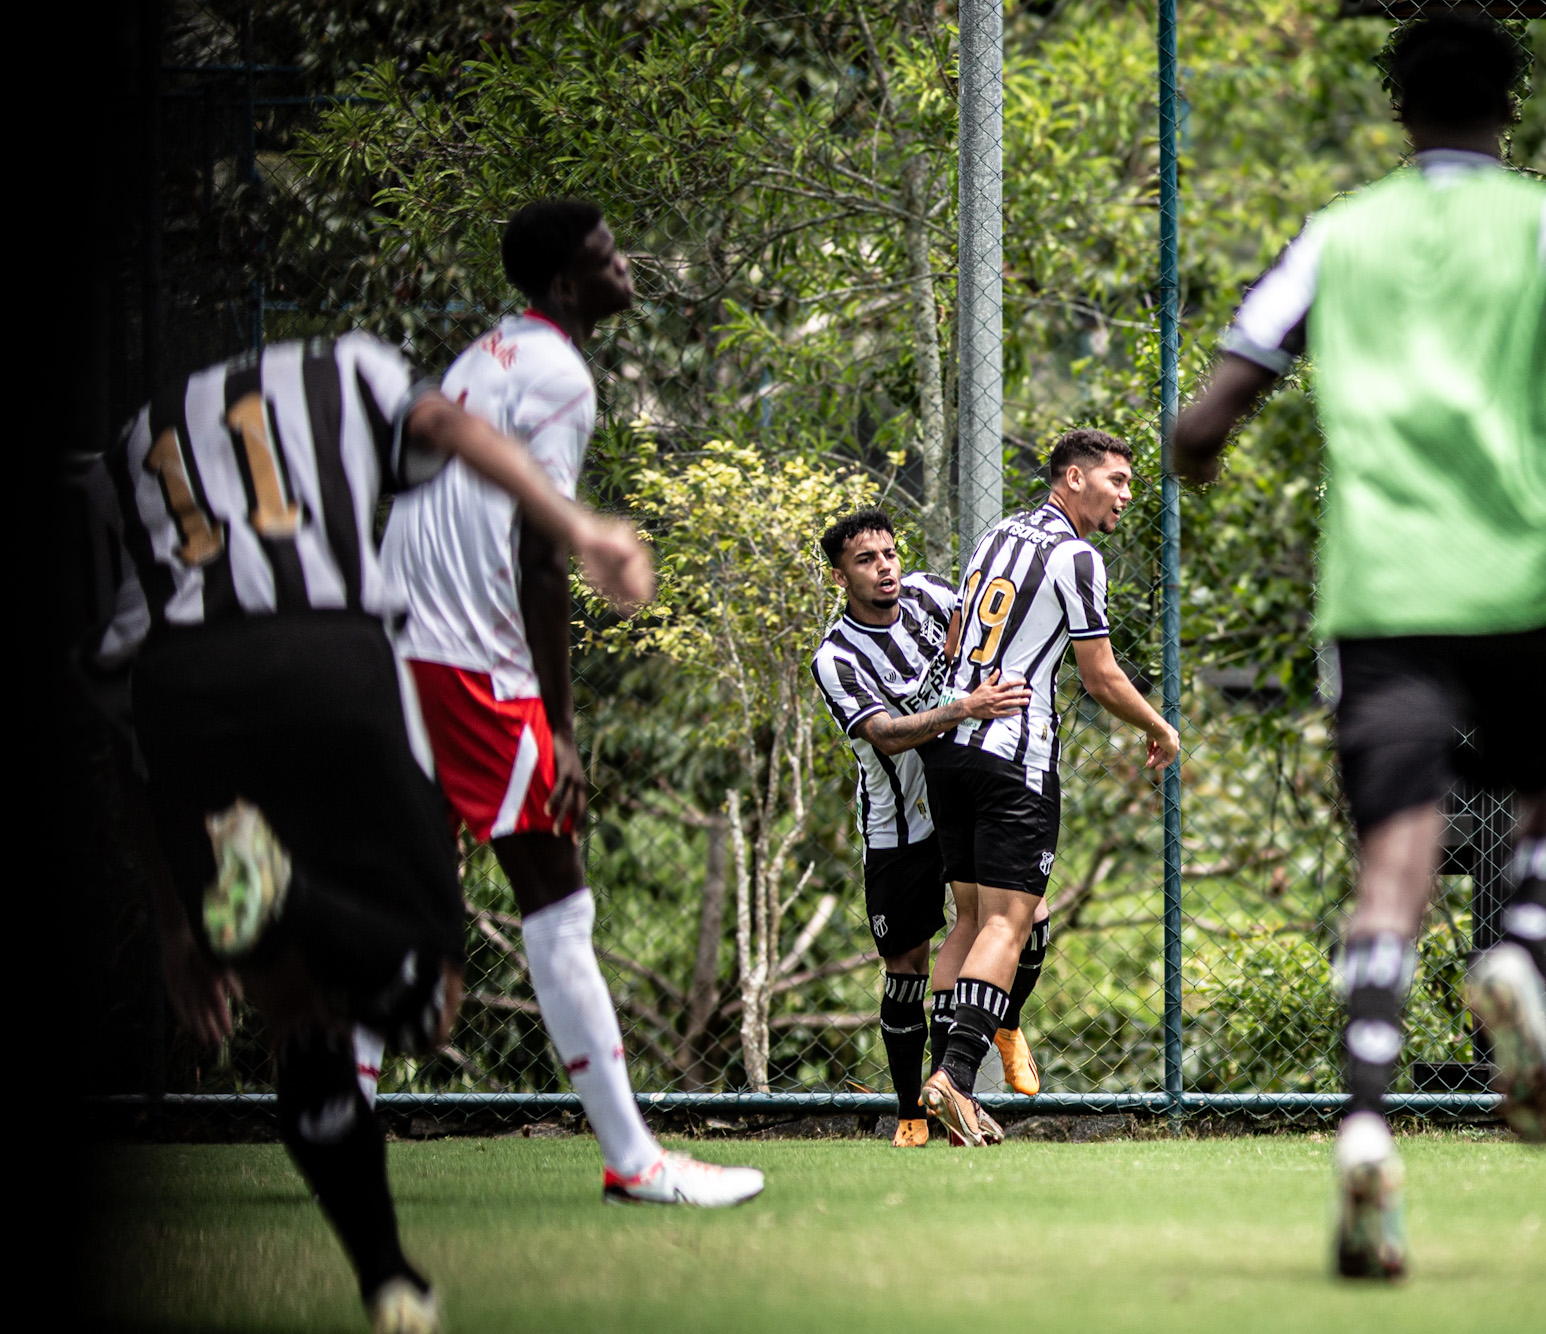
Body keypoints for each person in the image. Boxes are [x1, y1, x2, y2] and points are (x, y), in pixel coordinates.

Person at [1170, 12, 1546, 1281]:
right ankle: (1518, 948)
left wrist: (1203, 451)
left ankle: (1364, 1130)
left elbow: (1206, 409)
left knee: (1393, 861)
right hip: (1521, 573)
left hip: (1381, 590)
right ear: (1508, 105)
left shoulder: (1338, 235)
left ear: (1398, 110)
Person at [99, 329, 654, 1332]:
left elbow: (126, 715)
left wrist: (181, 923)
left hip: (181, 703)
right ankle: (292, 894)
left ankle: (390, 1276)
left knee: (296, 1017)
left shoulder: (142, 434)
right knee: (427, 995)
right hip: (328, 663)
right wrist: (579, 525)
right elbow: (443, 421)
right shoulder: (347, 366)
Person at [370, 201, 764, 1207]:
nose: (625, 265)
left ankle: (336, 1104)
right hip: (474, 663)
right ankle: (633, 1159)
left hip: (407, 641)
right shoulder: (557, 373)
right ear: (562, 285)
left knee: (405, 897)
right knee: (558, 902)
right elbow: (543, 556)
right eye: (605, 257)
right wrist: (557, 725)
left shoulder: (487, 357)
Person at [917, 429, 1181, 1146]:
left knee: (966, 922)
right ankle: (957, 1080)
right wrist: (1161, 727)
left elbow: (953, 641)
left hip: (950, 746)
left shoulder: (996, 535)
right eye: (1117, 480)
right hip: (1014, 756)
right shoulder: (1076, 555)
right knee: (1010, 922)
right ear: (1073, 477)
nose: (1127, 495)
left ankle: (941, 1090)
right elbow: (1100, 676)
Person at [809, 509, 1042, 1147]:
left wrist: (958, 641)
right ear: (840, 576)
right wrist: (961, 706)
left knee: (1028, 914)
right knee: (906, 965)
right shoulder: (835, 656)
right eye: (866, 559)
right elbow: (883, 734)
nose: (885, 567)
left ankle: (995, 1033)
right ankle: (914, 1110)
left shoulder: (932, 596)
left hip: (959, 793)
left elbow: (976, 611)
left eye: (890, 554)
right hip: (897, 824)